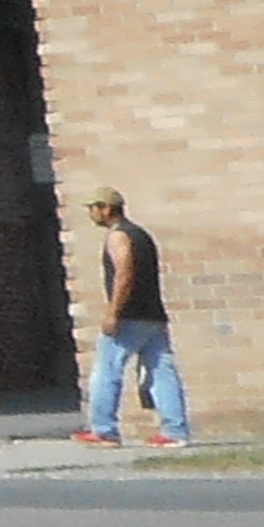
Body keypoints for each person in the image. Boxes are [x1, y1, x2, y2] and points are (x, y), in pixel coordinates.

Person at [76, 189, 191, 451]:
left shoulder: (119, 236)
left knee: (106, 371)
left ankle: (104, 430)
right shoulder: (141, 235)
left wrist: (114, 312)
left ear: (105, 208)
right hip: (153, 314)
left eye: (93, 208)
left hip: (129, 316)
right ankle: (175, 431)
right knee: (162, 372)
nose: (91, 214)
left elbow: (124, 273)